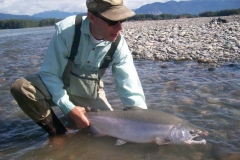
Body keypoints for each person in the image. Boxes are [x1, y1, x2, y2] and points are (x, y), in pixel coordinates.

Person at [10, 0, 147, 136]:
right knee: (22, 87)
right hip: (57, 87)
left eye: (122, 20)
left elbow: (130, 87)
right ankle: (58, 134)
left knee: (111, 133)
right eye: (112, 22)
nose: (119, 28)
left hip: (89, 93)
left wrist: (144, 122)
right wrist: (68, 108)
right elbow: (50, 73)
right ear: (92, 17)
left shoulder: (119, 45)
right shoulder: (67, 30)